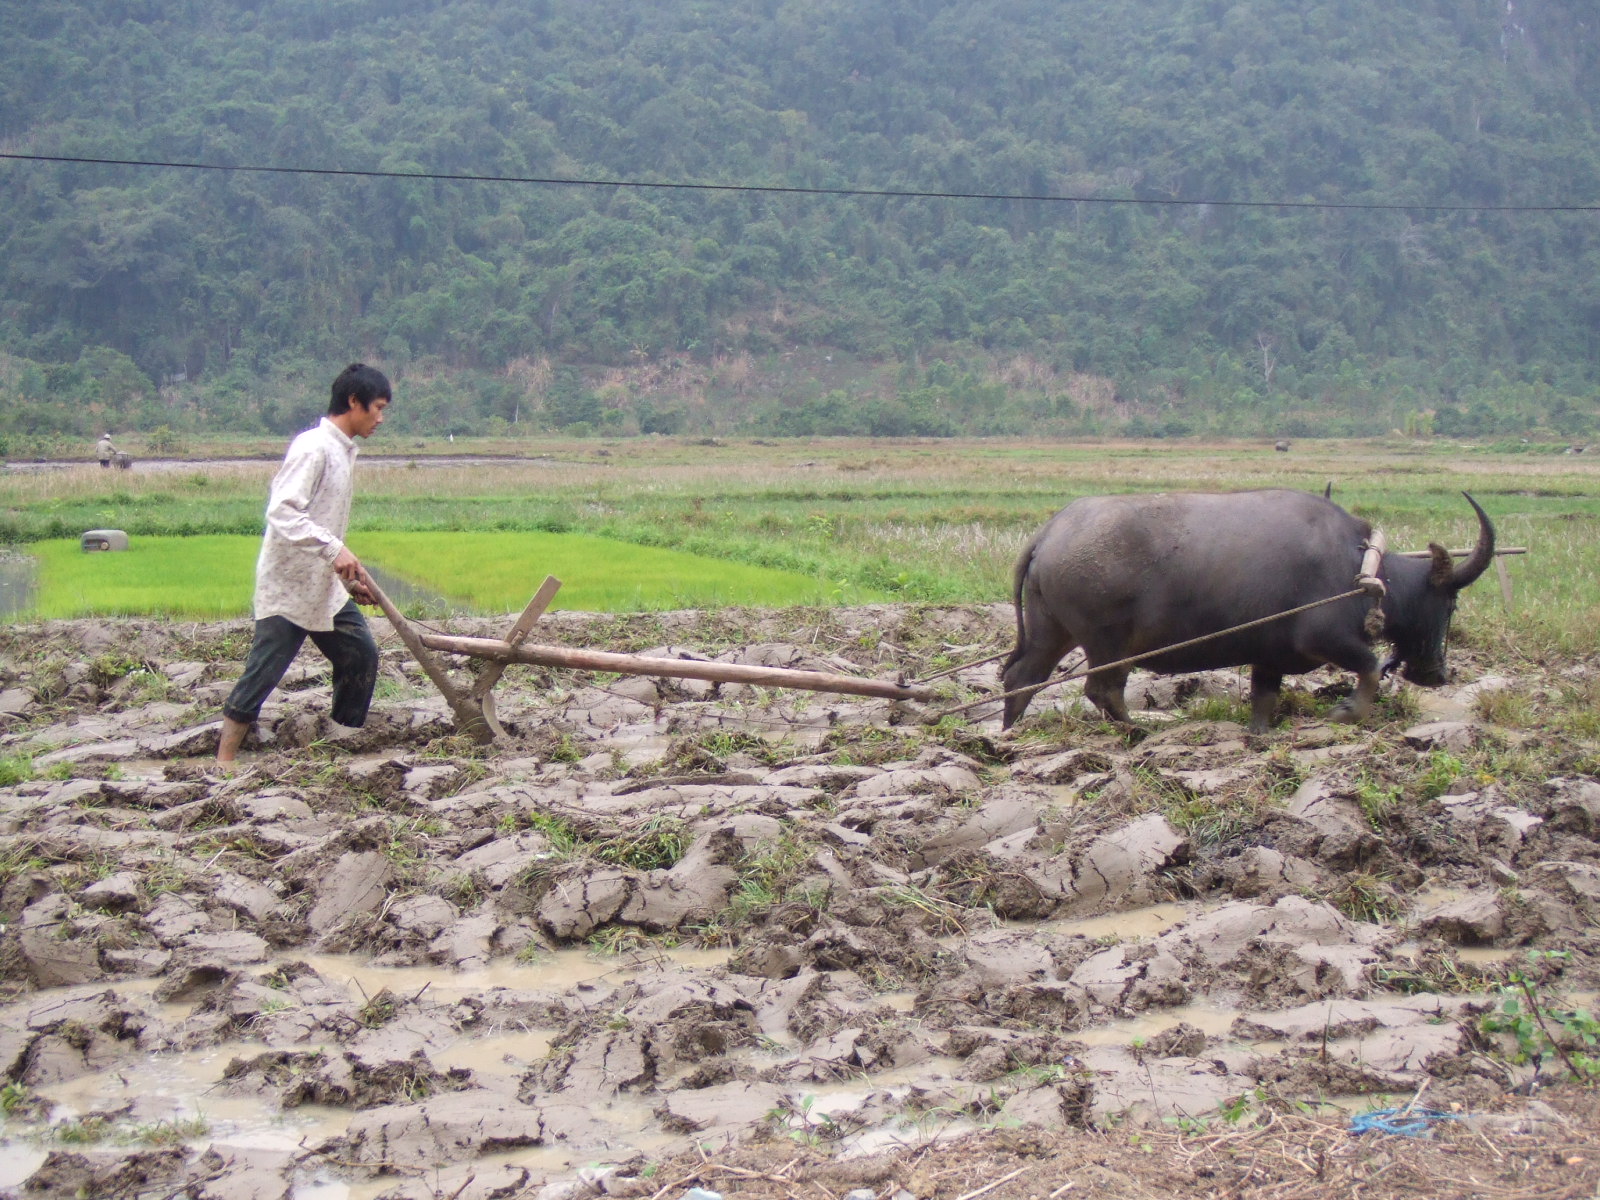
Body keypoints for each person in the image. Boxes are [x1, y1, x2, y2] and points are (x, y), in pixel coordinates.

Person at [216, 363, 392, 764]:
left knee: (360, 654)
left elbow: (323, 522)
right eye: (378, 408)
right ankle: (223, 761)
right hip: (289, 584)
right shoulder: (313, 447)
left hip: (323, 587)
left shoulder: (342, 451)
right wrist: (334, 550)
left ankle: (342, 740)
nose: (381, 419)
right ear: (354, 402)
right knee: (264, 670)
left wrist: (347, 581)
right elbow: (282, 511)